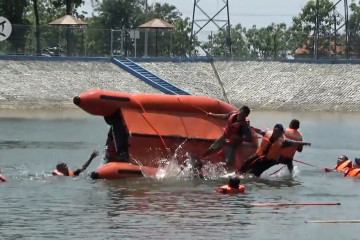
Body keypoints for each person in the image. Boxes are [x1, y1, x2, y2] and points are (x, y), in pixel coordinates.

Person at [237, 124, 311, 177]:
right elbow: (260, 131)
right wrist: (251, 128)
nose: (276, 133)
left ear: (281, 133)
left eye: (278, 132)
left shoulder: (283, 140)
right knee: (246, 162)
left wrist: (305, 143)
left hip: (270, 160)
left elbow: (295, 143)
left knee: (256, 171)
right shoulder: (268, 133)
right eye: (275, 131)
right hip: (260, 154)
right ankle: (237, 174)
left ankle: (250, 178)